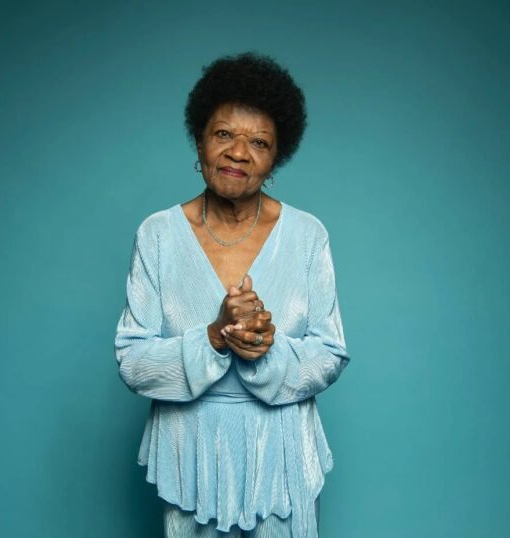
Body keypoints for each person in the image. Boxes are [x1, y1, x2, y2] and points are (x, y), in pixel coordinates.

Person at [114, 52, 349, 538]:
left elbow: (330, 352)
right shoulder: (157, 235)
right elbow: (132, 361)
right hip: (191, 452)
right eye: (223, 134)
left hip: (283, 451)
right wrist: (214, 337)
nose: (239, 152)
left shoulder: (308, 235)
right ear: (199, 141)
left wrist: (268, 349)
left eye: (259, 142)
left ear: (276, 158)